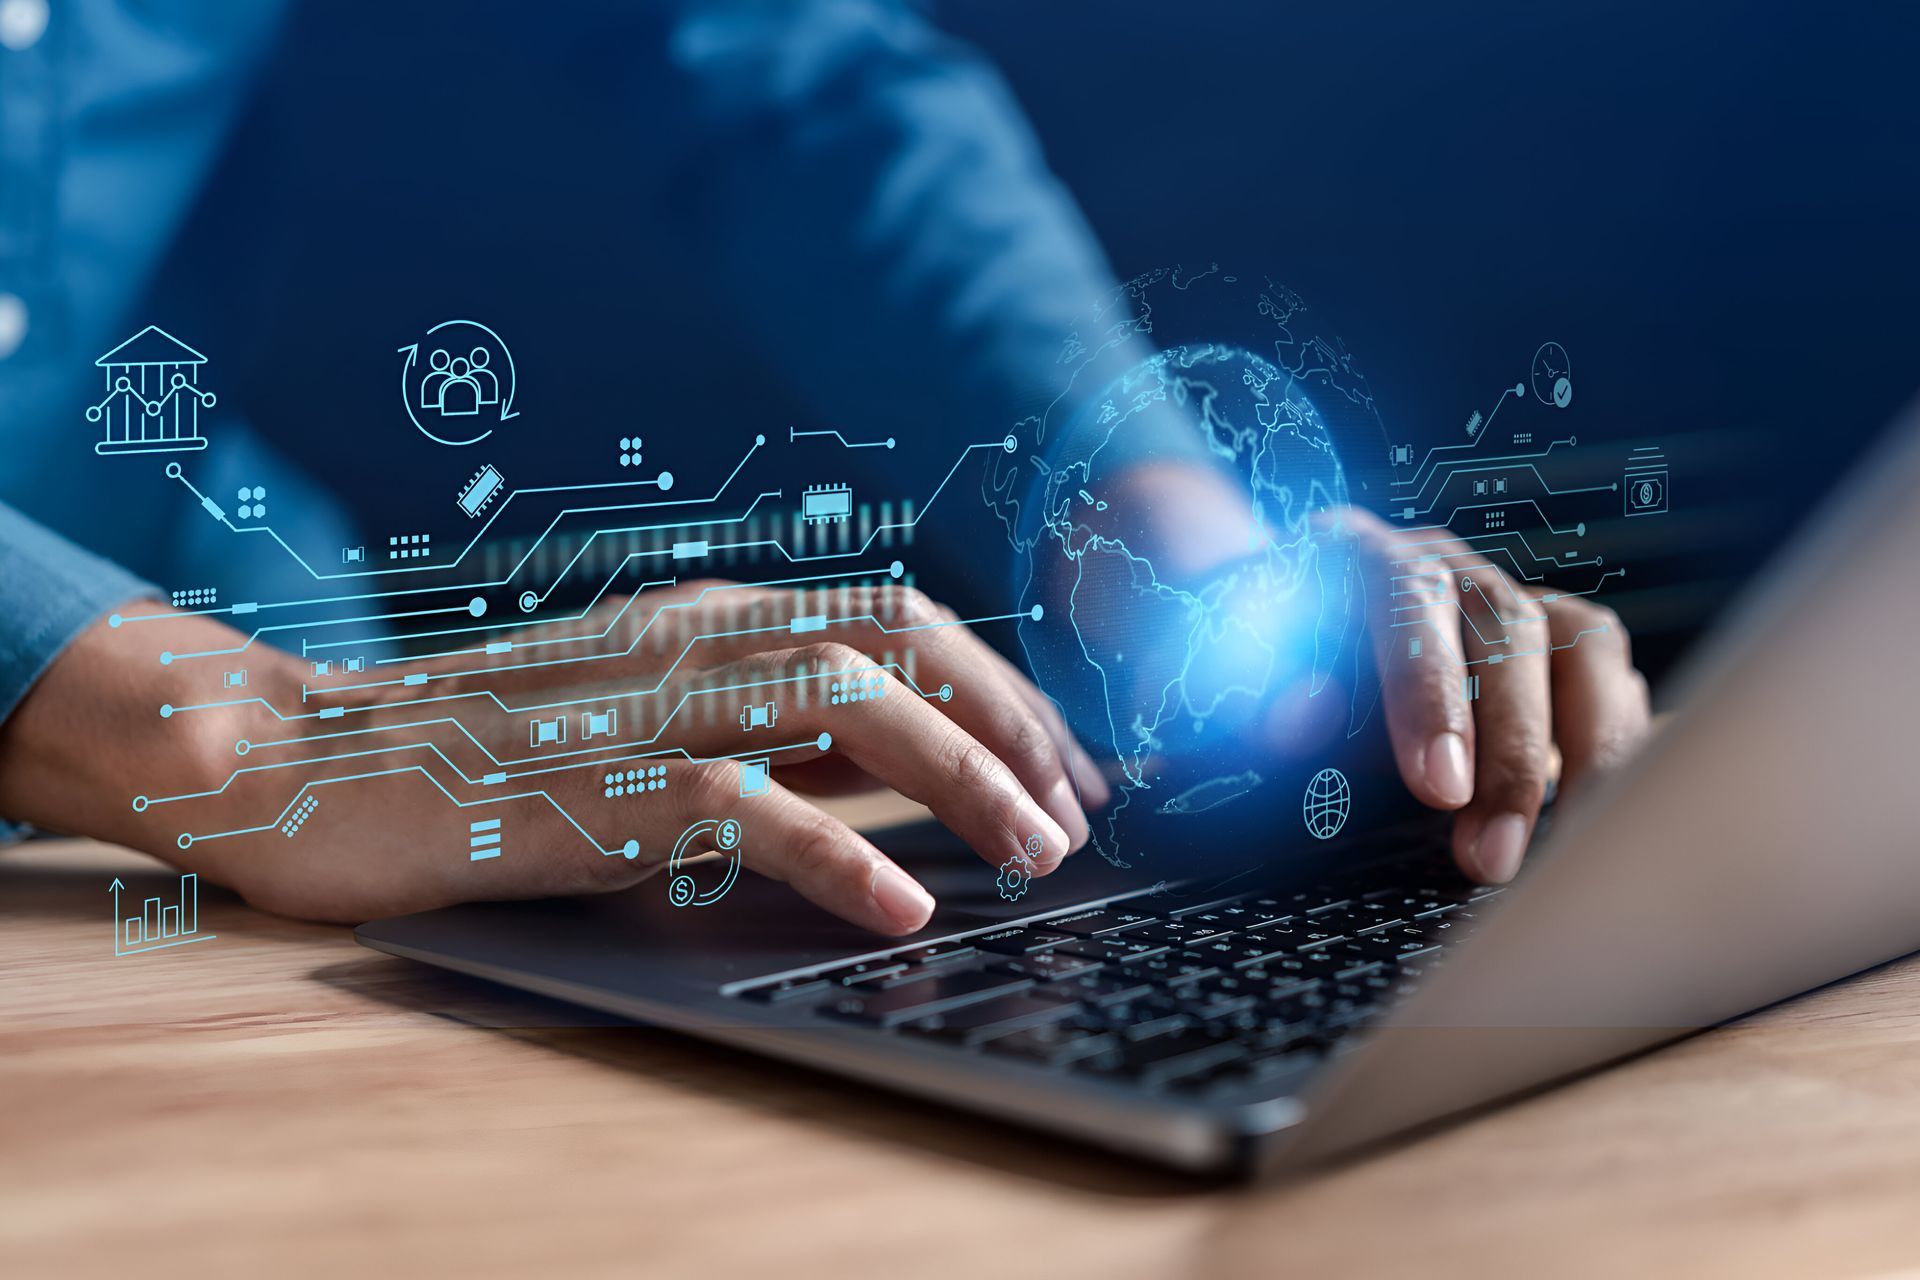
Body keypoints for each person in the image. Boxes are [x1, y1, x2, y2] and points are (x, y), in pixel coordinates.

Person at [0, 1, 1647, 934]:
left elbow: (791, 78)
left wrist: (1178, 552)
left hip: (201, 572)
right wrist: (238, 728)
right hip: (218, 699)